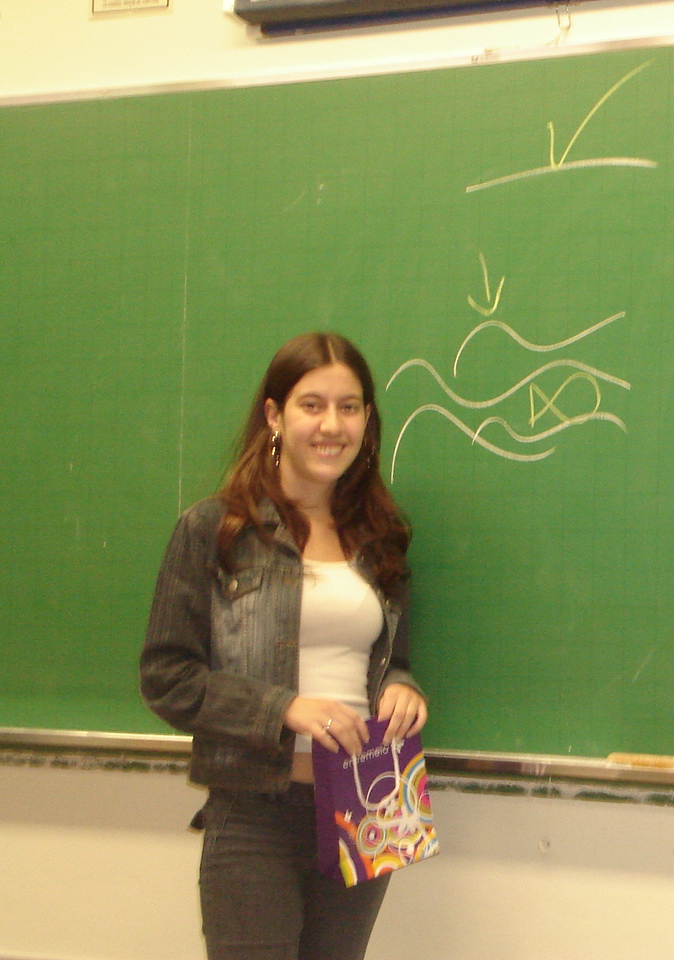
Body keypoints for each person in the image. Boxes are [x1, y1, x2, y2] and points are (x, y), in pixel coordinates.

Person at [140, 331, 428, 960]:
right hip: (254, 810)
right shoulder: (215, 529)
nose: (332, 425)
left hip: (368, 802)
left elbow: (393, 660)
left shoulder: (381, 535)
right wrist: (284, 709)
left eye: (349, 407)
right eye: (311, 405)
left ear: (367, 420)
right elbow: (166, 677)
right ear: (274, 415)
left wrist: (401, 687)